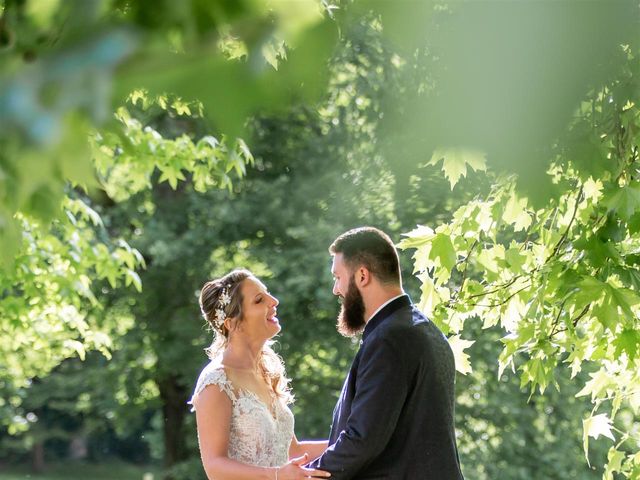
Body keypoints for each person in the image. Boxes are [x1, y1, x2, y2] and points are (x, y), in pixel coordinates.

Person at [308, 227, 465, 479]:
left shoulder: (388, 339)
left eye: (338, 277)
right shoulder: (427, 331)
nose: (336, 289)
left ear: (362, 275)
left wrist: (307, 476)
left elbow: (363, 438)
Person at [189, 269, 331, 480]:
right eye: (259, 300)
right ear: (232, 323)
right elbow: (214, 466)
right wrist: (276, 475)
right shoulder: (216, 381)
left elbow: (293, 452)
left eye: (268, 294)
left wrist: (354, 442)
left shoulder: (266, 372)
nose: (274, 301)